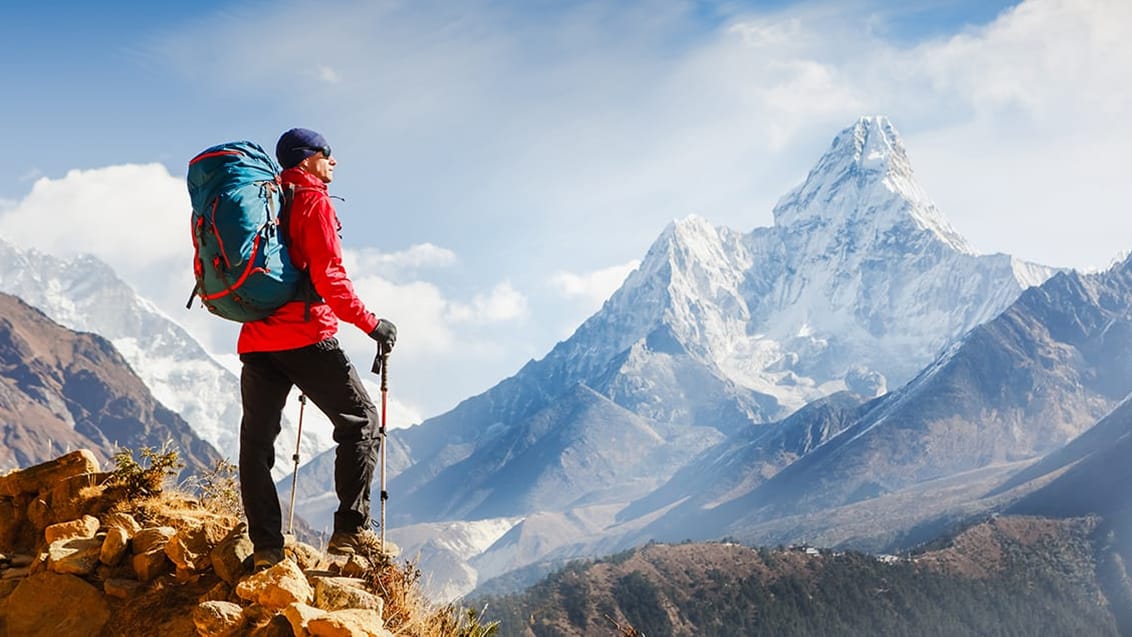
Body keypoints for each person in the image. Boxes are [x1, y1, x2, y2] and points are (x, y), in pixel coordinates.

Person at [237, 127, 397, 570]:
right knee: (360, 420)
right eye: (328, 154)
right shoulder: (312, 201)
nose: (334, 162)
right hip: (306, 337)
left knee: (255, 445)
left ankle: (266, 548)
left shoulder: (262, 198)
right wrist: (372, 324)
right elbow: (329, 276)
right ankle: (349, 535)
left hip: (256, 340)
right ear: (308, 158)